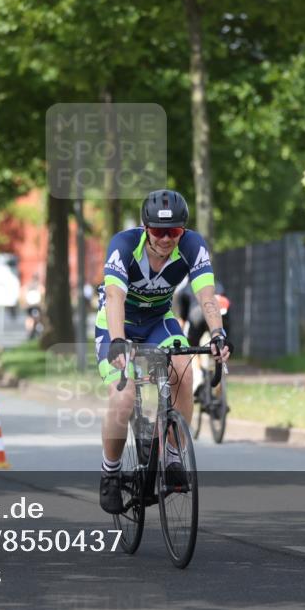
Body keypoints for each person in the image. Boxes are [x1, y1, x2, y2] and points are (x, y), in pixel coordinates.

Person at [96, 190, 230, 514]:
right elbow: (114, 297)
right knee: (123, 397)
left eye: (174, 231)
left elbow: (207, 296)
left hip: (159, 322)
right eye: (159, 231)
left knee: (183, 368)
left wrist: (217, 333)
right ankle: (110, 473)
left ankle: (171, 459)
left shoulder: (192, 246)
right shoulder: (124, 245)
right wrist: (117, 340)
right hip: (119, 324)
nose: (167, 238)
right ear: (145, 229)